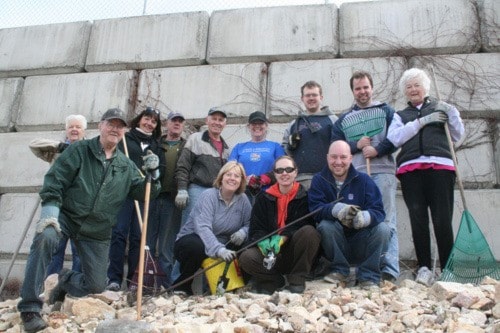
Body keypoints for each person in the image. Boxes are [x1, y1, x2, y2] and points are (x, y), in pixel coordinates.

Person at [17, 108, 161, 333]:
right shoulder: (80, 150)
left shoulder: (125, 166)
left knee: (96, 285)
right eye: (110, 124)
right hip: (67, 217)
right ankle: (29, 307)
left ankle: (65, 280)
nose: (114, 129)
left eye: (119, 126)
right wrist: (50, 213)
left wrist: (154, 175)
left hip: (97, 230)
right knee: (46, 236)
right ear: (101, 126)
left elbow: (145, 193)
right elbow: (55, 181)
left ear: (124, 131)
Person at [387, 68, 465, 286]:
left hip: (440, 167)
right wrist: (421, 122)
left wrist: (451, 113)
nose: (413, 89)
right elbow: (394, 138)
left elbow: (458, 135)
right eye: (409, 86)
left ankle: (448, 268)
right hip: (411, 170)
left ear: (425, 87)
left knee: (442, 218)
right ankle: (423, 267)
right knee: (418, 218)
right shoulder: (400, 115)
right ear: (405, 91)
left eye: (417, 85)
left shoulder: (440, 108)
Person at [331, 70, 399, 282]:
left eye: (365, 87)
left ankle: (389, 268)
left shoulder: (386, 111)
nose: (362, 91)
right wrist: (356, 145)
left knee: (387, 220)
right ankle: (368, 267)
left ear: (372, 88)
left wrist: (378, 150)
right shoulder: (344, 120)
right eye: (358, 88)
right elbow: (336, 146)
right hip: (359, 176)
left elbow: (397, 136)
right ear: (353, 91)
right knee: (363, 221)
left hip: (384, 172)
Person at [308, 140, 390, 288]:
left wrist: (364, 217)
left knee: (383, 229)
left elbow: (378, 211)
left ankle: (368, 276)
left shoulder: (364, 180)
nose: (338, 162)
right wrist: (336, 210)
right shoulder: (319, 180)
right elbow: (315, 210)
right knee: (326, 226)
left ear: (351, 158)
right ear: (327, 158)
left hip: (360, 241)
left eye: (343, 157)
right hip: (333, 245)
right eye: (334, 157)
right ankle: (339, 271)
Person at [239, 156, 320, 294]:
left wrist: (283, 238)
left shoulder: (304, 195)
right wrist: (263, 242)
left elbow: (304, 223)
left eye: (289, 169)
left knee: (309, 232)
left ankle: (297, 279)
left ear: (295, 172)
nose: (284, 173)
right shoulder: (263, 198)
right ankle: (274, 280)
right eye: (280, 170)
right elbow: (256, 228)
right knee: (246, 257)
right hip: (271, 253)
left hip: (294, 251)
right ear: (275, 174)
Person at [106, 107, 165, 291]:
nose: (149, 123)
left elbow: (160, 172)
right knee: (118, 234)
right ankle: (114, 279)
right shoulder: (125, 139)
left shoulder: (156, 145)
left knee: (139, 238)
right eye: (147, 119)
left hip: (144, 194)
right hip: (123, 194)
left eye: (154, 121)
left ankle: (133, 280)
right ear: (139, 119)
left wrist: (154, 170)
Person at [172, 161, 252, 295]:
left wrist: (243, 232)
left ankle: (232, 287)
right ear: (221, 178)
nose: (232, 178)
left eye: (237, 176)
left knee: (248, 247)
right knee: (195, 247)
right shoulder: (209, 195)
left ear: (242, 181)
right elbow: (202, 227)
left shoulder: (243, 199)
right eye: (228, 174)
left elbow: (250, 223)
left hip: (225, 243)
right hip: (196, 239)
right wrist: (218, 249)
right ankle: (182, 287)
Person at [147, 111, 186, 288]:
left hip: (173, 200)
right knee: (147, 242)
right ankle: (146, 282)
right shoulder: (155, 144)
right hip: (151, 197)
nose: (177, 124)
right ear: (167, 124)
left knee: (166, 245)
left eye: (180, 121)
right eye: (173, 121)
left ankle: (165, 284)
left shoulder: (186, 147)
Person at [46, 114, 88, 276]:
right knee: (56, 249)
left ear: (84, 131)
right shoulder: (58, 150)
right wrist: (60, 146)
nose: (74, 130)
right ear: (66, 130)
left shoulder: (90, 150)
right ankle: (51, 286)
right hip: (60, 207)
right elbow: (35, 145)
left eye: (78, 127)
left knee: (79, 252)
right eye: (71, 127)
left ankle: (75, 287)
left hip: (81, 208)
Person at [175, 108, 230, 225]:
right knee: (190, 227)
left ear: (225, 124)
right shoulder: (196, 139)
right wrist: (182, 189)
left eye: (220, 120)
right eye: (214, 119)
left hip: (216, 194)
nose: (217, 122)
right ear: (207, 121)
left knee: (208, 229)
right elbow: (183, 165)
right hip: (197, 190)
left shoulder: (226, 149)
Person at [282, 80, 338, 190]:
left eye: (314, 95)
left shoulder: (333, 120)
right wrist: (290, 145)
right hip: (300, 179)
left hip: (327, 177)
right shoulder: (294, 124)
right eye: (307, 95)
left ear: (321, 97)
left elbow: (342, 147)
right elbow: (285, 150)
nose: (311, 98)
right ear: (302, 98)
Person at [228, 111, 285, 202]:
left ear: (266, 126)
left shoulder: (275, 146)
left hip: (269, 194)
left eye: (261, 123)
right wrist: (244, 179)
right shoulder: (239, 147)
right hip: (242, 194)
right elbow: (230, 169)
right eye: (254, 123)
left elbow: (284, 168)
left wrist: (269, 177)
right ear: (248, 126)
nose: (257, 126)